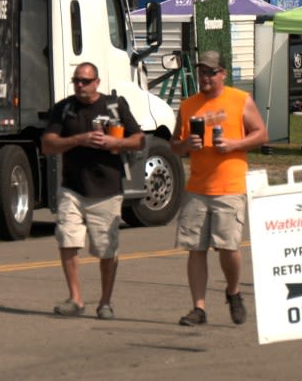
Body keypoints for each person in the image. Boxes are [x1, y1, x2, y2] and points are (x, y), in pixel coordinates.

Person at [170, 50, 268, 326]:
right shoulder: (189, 105)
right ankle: (198, 308)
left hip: (230, 185)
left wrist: (234, 145)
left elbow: (261, 133)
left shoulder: (240, 100)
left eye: (212, 72)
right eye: (202, 72)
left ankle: (233, 291)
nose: (206, 77)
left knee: (228, 248)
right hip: (197, 187)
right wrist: (186, 145)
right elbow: (174, 145)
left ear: (223, 73)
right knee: (195, 249)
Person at [42, 62, 145, 320]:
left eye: (85, 81)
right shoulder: (64, 109)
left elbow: (140, 139)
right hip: (72, 188)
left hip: (107, 189)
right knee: (67, 240)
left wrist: (115, 142)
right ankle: (75, 299)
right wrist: (79, 140)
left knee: (106, 249)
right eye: (76, 80)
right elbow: (48, 144)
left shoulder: (114, 106)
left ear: (97, 82)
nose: (80, 86)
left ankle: (105, 302)